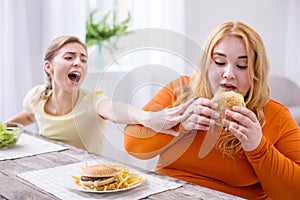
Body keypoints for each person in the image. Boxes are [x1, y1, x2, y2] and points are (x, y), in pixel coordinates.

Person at [124, 22, 300, 199]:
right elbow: (132, 144)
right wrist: (179, 125)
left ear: (256, 72)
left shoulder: (277, 115)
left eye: (242, 66)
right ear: (206, 65)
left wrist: (258, 147)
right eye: (220, 62)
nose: (229, 73)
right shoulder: (181, 90)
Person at [5, 35, 193, 155]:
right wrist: (4, 128)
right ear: (49, 67)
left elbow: (114, 110)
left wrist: (148, 117)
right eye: (69, 57)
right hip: (48, 166)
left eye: (83, 59)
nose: (78, 63)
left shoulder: (93, 101)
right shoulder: (36, 96)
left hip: (86, 177)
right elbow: (30, 115)